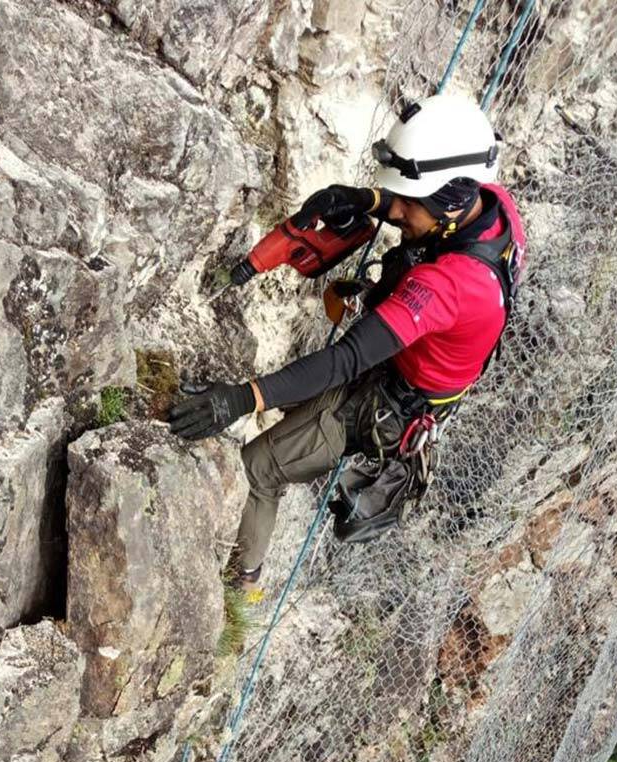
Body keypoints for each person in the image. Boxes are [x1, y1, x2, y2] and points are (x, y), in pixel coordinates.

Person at [169, 93, 526, 596]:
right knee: (294, 400)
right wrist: (364, 201)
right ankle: (261, 403)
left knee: (262, 468)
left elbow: (347, 359)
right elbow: (416, 214)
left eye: (407, 203)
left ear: (449, 201)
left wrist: (241, 399)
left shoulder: (450, 286)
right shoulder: (494, 210)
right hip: (412, 365)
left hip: (385, 402)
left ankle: (239, 588)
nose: (395, 211)